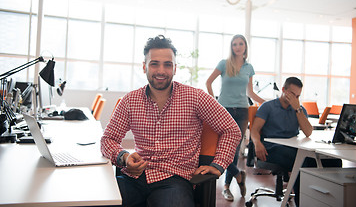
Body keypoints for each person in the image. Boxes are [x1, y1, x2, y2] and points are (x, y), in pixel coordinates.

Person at [101, 35, 242, 207]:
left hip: (175, 181)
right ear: (144, 66)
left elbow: (231, 129)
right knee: (96, 200)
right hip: (135, 177)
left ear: (175, 68)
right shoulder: (130, 101)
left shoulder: (195, 97)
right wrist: (123, 157)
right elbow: (108, 139)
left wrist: (219, 164)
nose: (161, 70)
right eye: (154, 64)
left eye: (167, 64)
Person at [251, 77, 342, 207]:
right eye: (292, 94)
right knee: (302, 162)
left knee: (332, 161)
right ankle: (303, 203)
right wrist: (257, 143)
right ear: (283, 90)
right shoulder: (268, 107)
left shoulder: (299, 109)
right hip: (271, 148)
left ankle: (326, 201)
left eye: (298, 96)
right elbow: (254, 130)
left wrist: (297, 109)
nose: (295, 99)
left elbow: (308, 132)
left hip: (292, 147)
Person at [206, 34, 265, 201]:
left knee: (234, 150)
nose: (237, 47)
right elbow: (208, 82)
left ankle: (226, 187)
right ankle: (239, 175)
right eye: (234, 44)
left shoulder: (249, 68)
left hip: (242, 111)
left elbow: (250, 92)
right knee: (219, 148)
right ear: (231, 47)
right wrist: (214, 103)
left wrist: (267, 102)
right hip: (223, 109)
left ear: (245, 47)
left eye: (240, 44)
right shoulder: (224, 64)